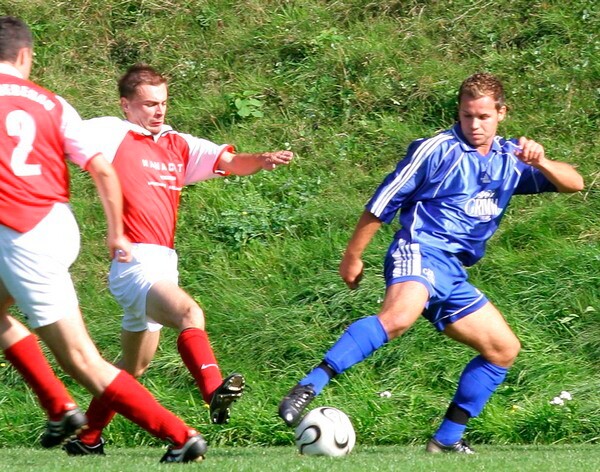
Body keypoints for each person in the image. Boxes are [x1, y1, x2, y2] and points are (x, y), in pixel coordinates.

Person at [278, 72, 584, 453]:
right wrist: (352, 256)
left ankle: (446, 441)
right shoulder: (436, 150)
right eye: (467, 115)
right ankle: (309, 385)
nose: (474, 124)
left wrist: (542, 162)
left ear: (502, 113)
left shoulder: (511, 158)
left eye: (483, 116)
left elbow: (575, 183)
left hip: (453, 272)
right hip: (419, 250)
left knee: (503, 348)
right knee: (397, 319)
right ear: (458, 112)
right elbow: (381, 204)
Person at [0, 16, 209, 463]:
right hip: (56, 225)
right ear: (25, 55)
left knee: (82, 359)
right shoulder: (53, 103)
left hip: (19, 234)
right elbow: (101, 168)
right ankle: (60, 408)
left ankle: (179, 435)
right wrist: (116, 232)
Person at [63, 63, 294, 455]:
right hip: (134, 264)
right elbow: (58, 137)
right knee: (190, 313)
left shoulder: (178, 144)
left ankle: (87, 439)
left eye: (163, 103)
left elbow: (230, 162)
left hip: (163, 265)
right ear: (126, 105)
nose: (159, 111)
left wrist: (262, 158)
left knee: (132, 369)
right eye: (149, 104)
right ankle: (213, 390)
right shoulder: (111, 132)